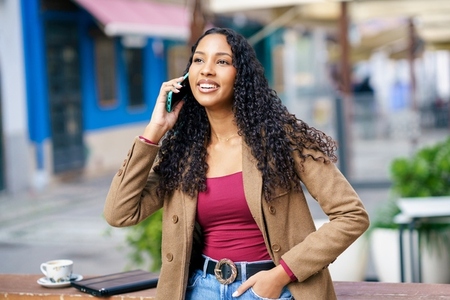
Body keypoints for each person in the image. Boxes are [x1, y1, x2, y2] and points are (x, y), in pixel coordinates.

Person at [104, 27, 369, 300]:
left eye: (222, 61)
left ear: (241, 75)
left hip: (270, 290)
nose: (207, 70)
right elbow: (119, 213)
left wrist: (281, 275)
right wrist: (154, 131)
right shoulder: (183, 153)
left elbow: (351, 215)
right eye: (198, 60)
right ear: (186, 76)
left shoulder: (281, 139)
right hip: (201, 289)